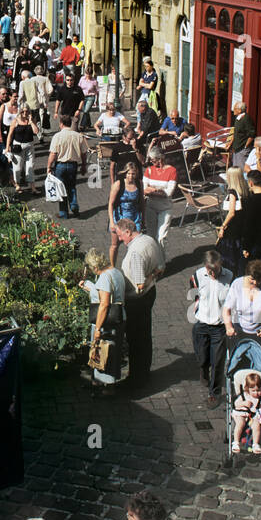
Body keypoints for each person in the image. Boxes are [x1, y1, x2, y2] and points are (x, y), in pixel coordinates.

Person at [117, 218, 165, 388]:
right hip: (151, 293)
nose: (120, 239)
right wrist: (153, 274)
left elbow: (139, 285)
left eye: (120, 235)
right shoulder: (149, 240)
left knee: (136, 338)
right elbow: (161, 266)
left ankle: (136, 377)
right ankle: (144, 371)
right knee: (145, 334)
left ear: (128, 232)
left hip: (138, 300)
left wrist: (147, 277)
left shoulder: (136, 253)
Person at [191, 250, 232, 408]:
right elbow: (194, 294)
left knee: (218, 361)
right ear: (205, 267)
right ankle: (203, 370)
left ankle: (214, 393)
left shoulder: (230, 276)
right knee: (202, 357)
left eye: (216, 270)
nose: (213, 273)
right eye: (210, 270)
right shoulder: (197, 276)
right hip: (201, 324)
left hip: (219, 327)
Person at [80, 249, 126, 386]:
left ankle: (107, 388)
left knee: (105, 353)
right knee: (110, 352)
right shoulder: (115, 272)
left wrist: (98, 329)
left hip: (107, 323)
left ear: (95, 267)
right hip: (119, 318)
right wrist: (90, 288)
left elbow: (104, 304)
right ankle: (99, 383)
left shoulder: (105, 277)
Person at [223, 258, 261, 353]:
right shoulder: (237, 284)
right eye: (252, 279)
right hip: (239, 331)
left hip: (259, 332)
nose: (256, 283)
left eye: (259, 280)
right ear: (247, 275)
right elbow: (226, 309)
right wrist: (229, 327)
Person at [46, 115, 89, 220]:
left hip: (60, 165)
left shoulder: (57, 136)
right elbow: (84, 153)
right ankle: (74, 205)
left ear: (61, 124)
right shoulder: (78, 136)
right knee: (72, 186)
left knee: (61, 188)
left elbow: (53, 154)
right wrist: (84, 165)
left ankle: (63, 213)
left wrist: (48, 167)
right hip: (73, 165)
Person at [108, 163, 145, 266]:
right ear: (125, 173)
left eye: (133, 174)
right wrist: (112, 222)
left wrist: (143, 219)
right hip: (120, 217)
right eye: (128, 173)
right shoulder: (118, 184)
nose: (130, 176)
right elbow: (110, 204)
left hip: (134, 218)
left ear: (136, 174)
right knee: (115, 245)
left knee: (135, 246)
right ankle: (112, 266)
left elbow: (142, 201)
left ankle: (132, 267)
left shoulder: (139, 183)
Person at [217, 165, 250, 273]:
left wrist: (223, 226)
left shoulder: (232, 192)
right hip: (243, 223)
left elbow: (231, 213)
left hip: (233, 226)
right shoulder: (245, 188)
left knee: (229, 253)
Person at [231, 371, 261, 455]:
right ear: (247, 389)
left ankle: (255, 444)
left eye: (258, 390)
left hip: (255, 417)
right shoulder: (244, 396)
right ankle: (236, 442)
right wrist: (243, 403)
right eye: (253, 391)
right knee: (240, 423)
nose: (256, 393)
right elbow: (236, 404)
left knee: (257, 426)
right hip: (242, 414)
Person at [5, 107, 39, 193]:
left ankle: (33, 188)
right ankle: (17, 184)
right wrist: (7, 147)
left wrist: (31, 121)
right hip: (18, 146)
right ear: (20, 112)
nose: (25, 113)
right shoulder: (15, 121)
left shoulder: (31, 121)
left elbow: (36, 132)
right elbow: (10, 135)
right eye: (23, 111)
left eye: (27, 111)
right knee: (17, 168)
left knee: (30, 166)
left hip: (29, 145)